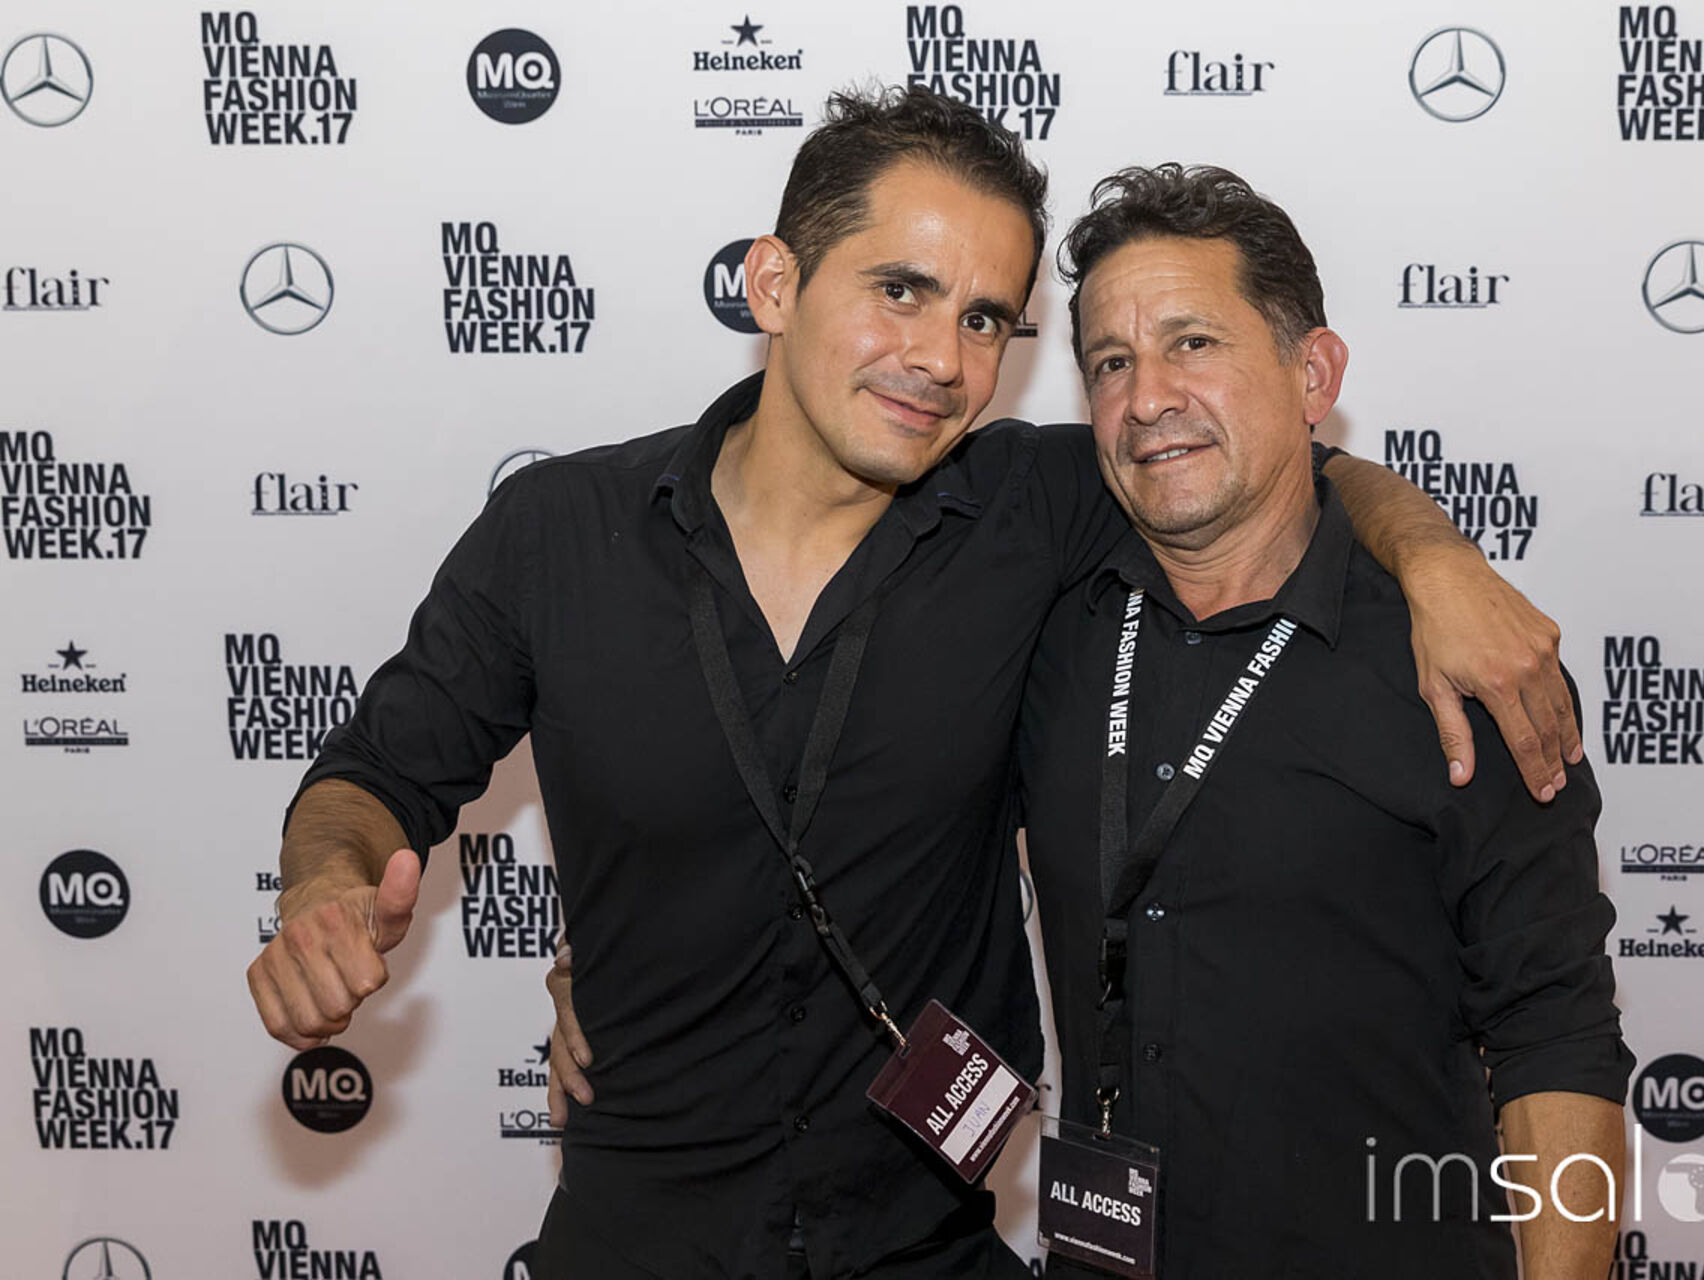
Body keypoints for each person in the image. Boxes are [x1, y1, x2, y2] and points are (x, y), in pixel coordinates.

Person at [248, 88, 1583, 1280]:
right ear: (774, 282)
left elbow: (1256, 456)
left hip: (924, 1247)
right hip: (637, 1239)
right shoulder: (559, 534)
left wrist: (1435, 555)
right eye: (901, 290)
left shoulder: (1032, 509)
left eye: (984, 318)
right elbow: (375, 777)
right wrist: (324, 890)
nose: (944, 358)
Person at [1016, 165, 1630, 1278]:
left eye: (1194, 343)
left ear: (1314, 374)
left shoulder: (1459, 663)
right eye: (1110, 362)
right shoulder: (1045, 622)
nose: (1147, 397)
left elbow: (1558, 1036)